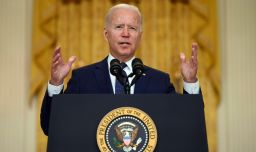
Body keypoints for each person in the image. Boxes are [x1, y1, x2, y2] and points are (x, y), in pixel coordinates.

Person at [41, 4, 200, 136]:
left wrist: (190, 82)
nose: (125, 34)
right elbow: (50, 127)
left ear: (140, 36)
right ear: (106, 34)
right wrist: (56, 83)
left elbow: (188, 127)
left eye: (132, 28)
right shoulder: (83, 78)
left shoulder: (159, 81)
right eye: (119, 27)